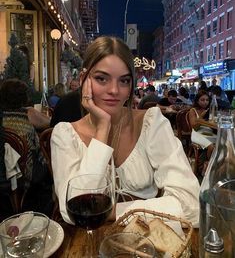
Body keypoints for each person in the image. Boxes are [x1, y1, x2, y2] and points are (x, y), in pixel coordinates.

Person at [51, 36, 200, 227]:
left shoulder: (151, 123)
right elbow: (73, 210)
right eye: (101, 79)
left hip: (147, 243)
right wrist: (103, 128)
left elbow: (192, 206)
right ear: (83, 79)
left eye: (124, 81)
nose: (114, 90)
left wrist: (113, 212)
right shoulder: (64, 135)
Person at [0, 79, 53, 216]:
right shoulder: (27, 116)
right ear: (24, 97)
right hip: (24, 179)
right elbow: (51, 124)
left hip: (5, 176)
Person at [187, 90, 215, 177]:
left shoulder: (210, 110)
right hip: (197, 133)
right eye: (202, 100)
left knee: (222, 143)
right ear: (197, 101)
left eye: (207, 100)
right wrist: (202, 116)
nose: (205, 102)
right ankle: (207, 166)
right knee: (211, 147)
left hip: (208, 132)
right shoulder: (193, 110)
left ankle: (211, 165)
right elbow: (194, 127)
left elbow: (212, 124)